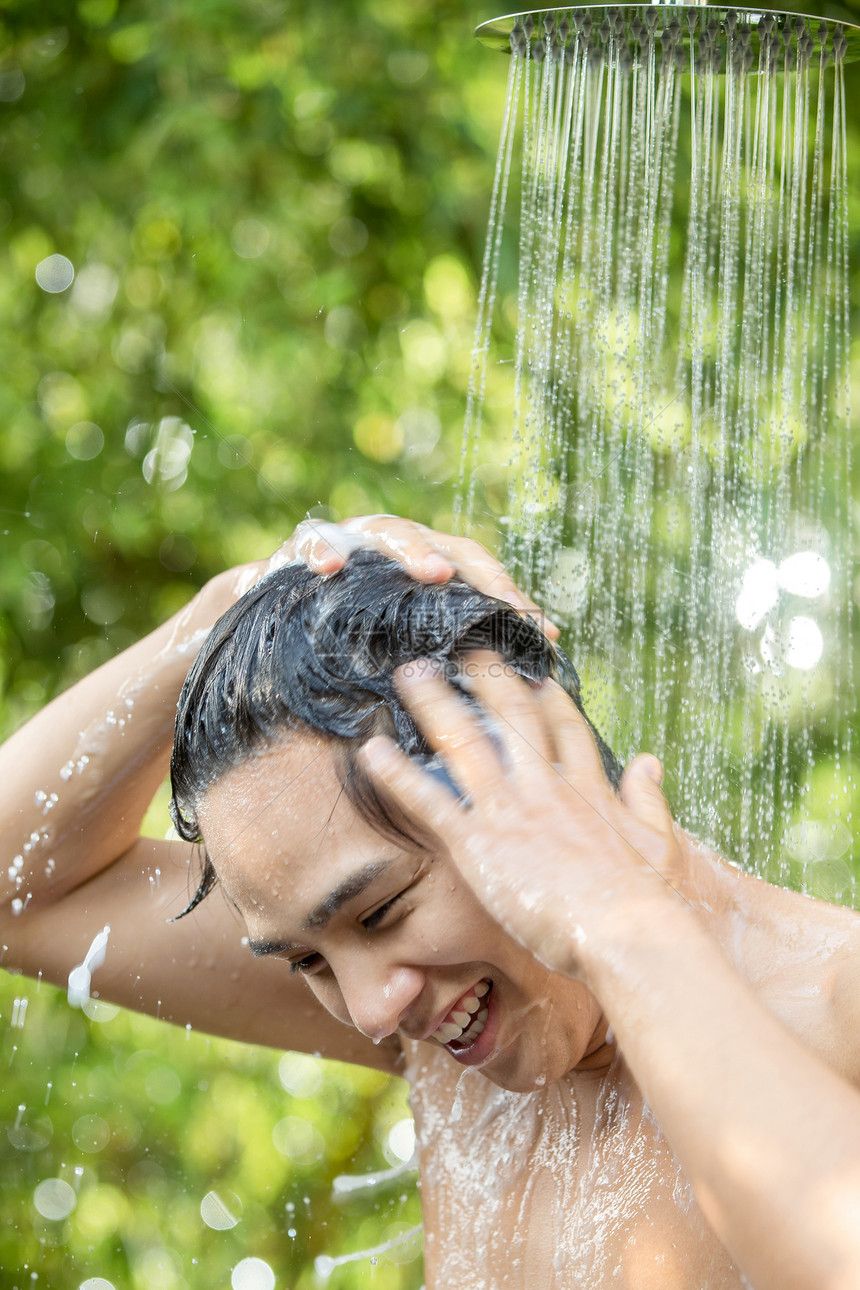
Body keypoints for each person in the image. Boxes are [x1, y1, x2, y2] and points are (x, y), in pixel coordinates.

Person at [3, 516, 860, 1290]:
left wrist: (618, 924)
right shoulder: (447, 1029)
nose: (374, 1012)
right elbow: (17, 895)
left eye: (382, 911)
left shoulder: (833, 1008)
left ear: (534, 763)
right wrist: (228, 614)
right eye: (308, 959)